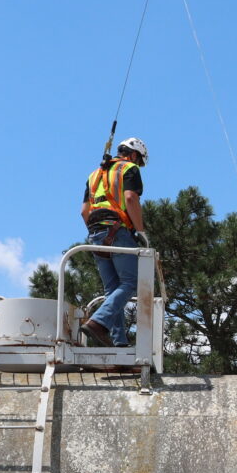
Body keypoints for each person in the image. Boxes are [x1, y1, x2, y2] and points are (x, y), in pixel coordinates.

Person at [79, 136, 150, 347]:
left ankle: (119, 342)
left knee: (113, 289)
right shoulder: (129, 168)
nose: (139, 165)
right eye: (139, 161)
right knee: (130, 282)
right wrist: (140, 231)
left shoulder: (94, 175)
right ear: (134, 154)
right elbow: (130, 198)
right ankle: (98, 322)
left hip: (95, 232)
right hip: (118, 230)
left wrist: (98, 233)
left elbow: (84, 212)